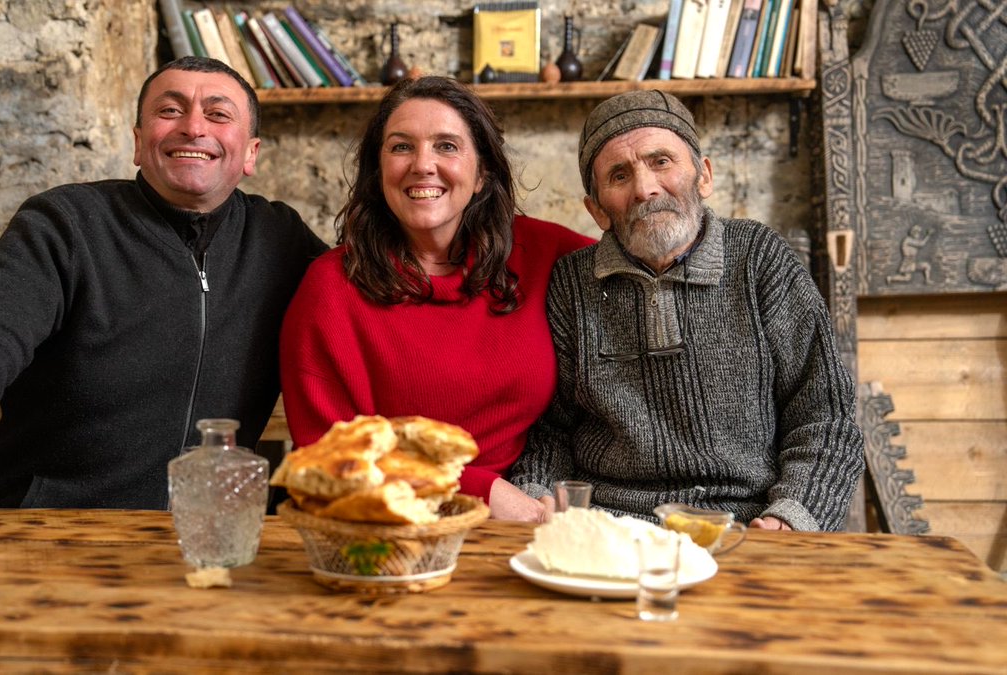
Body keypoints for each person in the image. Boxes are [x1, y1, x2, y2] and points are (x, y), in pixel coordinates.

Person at [0, 57, 327, 564]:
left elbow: (374, 296)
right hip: (48, 537)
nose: (193, 126)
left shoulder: (281, 241)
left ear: (250, 153)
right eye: (170, 110)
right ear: (138, 142)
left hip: (212, 546)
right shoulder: (64, 226)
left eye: (218, 114)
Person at [510, 90, 865, 531]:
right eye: (619, 176)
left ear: (704, 176)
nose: (645, 189)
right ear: (597, 210)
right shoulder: (570, 284)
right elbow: (551, 430)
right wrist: (534, 495)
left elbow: (825, 418)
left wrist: (790, 519)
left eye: (661, 161)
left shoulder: (760, 259)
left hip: (746, 526)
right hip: (610, 528)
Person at [279, 76, 593, 522]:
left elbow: (645, 266)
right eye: (401, 147)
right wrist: (486, 493)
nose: (423, 165)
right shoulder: (331, 287)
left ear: (482, 172)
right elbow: (328, 457)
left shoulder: (546, 253)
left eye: (447, 146)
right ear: (378, 170)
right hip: (392, 529)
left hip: (529, 508)